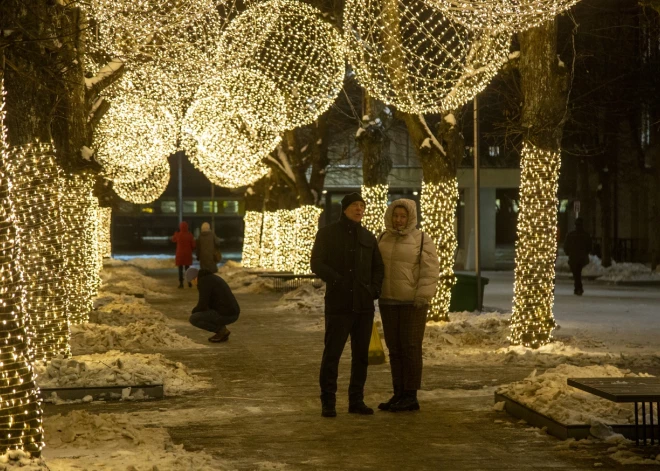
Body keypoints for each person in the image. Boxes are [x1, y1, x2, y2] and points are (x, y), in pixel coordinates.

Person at [311, 192, 385, 418]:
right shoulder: (327, 234)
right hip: (339, 303)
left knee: (361, 356)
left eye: (362, 205)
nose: (359, 209)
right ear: (344, 208)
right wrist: (337, 280)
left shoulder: (368, 237)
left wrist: (373, 290)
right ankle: (328, 400)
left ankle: (356, 400)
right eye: (355, 205)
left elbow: (378, 268)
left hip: (363, 305)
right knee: (332, 353)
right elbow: (317, 263)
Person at [377, 199, 439, 412]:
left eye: (403, 216)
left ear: (410, 217)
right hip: (388, 301)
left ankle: (410, 395)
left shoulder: (421, 239)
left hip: (413, 304)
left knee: (411, 347)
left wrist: (423, 296)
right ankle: (398, 392)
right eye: (396, 216)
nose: (399, 220)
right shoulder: (383, 238)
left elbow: (429, 270)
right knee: (394, 349)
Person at [185, 267, 240, 343]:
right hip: (231, 311)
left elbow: (202, 304)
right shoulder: (209, 278)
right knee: (202, 314)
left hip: (227, 313)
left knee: (194, 318)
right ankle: (222, 331)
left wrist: (194, 311)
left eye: (191, 281)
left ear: (194, 278)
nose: (193, 284)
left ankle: (221, 331)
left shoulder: (203, 282)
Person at [563, 218, 592, 296]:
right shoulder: (585, 235)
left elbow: (566, 246)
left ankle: (578, 288)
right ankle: (578, 288)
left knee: (576, 273)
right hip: (581, 257)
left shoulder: (571, 234)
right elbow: (589, 246)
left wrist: (568, 253)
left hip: (573, 257)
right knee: (577, 273)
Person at [172, 221, 195, 289]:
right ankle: (189, 282)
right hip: (187, 254)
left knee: (180, 269)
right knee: (187, 269)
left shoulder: (178, 234)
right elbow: (193, 245)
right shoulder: (190, 235)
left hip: (180, 255)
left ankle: (181, 283)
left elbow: (173, 240)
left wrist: (176, 232)